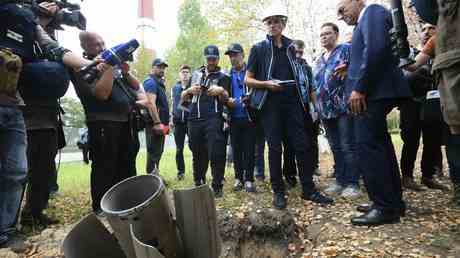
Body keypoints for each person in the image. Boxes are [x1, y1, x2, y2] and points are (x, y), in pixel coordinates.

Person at [0, 2, 92, 247]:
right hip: (24, 112)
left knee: (18, 172)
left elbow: (55, 49)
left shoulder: (29, 25)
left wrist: (91, 63)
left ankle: (10, 228)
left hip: (17, 108)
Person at [245, 12, 333, 209]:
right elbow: (247, 79)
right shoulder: (258, 49)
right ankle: (278, 191)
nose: (272, 25)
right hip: (270, 104)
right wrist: (267, 84)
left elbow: (302, 72)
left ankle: (308, 189)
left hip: (294, 102)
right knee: (275, 147)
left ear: (283, 24)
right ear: (265, 25)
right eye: (269, 22)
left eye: (276, 21)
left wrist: (311, 104)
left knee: (301, 145)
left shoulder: (292, 46)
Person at [337, 0, 412, 225]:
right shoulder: (371, 17)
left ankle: (384, 207)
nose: (341, 16)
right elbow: (375, 53)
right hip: (376, 92)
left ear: (356, 1)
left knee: (368, 147)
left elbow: (377, 49)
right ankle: (391, 201)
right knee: (381, 146)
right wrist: (351, 69)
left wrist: (360, 87)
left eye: (342, 9)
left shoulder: (372, 13)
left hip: (373, 94)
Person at [72, 32, 147, 214]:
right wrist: (109, 69)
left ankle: (127, 203)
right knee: (105, 166)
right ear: (85, 47)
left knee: (127, 163)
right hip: (103, 124)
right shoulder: (83, 68)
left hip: (126, 123)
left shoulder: (110, 64)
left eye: (103, 42)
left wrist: (124, 70)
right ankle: (101, 207)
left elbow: (136, 88)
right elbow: (102, 94)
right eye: (96, 44)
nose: (102, 47)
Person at [412, 0, 460, 207]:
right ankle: (458, 187)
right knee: (453, 139)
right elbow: (414, 65)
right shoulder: (438, 37)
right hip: (447, 99)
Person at [313, 22, 361, 199]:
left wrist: (350, 71)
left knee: (348, 145)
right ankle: (340, 181)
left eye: (327, 33)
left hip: (344, 107)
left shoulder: (346, 50)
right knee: (335, 147)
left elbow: (359, 68)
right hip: (325, 110)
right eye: (321, 35)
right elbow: (315, 85)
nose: (324, 37)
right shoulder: (318, 60)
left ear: (336, 34)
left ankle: (353, 183)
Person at [399, 23, 448, 191]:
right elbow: (403, 76)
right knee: (410, 140)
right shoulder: (410, 53)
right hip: (411, 102)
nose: (426, 32)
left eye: (431, 29)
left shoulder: (440, 53)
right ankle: (407, 177)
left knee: (432, 141)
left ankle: (428, 176)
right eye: (423, 29)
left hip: (433, 104)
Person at [181, 45, 231, 198]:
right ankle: (199, 182)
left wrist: (221, 91)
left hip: (213, 118)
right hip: (194, 119)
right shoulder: (195, 74)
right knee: (197, 151)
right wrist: (188, 91)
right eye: (208, 58)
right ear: (205, 58)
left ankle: (217, 185)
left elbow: (227, 99)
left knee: (216, 152)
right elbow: (183, 99)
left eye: (214, 59)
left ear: (218, 59)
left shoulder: (223, 76)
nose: (211, 61)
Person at [282, 39, 319, 188]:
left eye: (301, 52)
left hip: (305, 107)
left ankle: (308, 172)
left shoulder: (307, 68)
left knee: (308, 142)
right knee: (289, 143)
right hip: (289, 108)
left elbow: (312, 89)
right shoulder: (285, 66)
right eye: (296, 51)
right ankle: (289, 174)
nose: (298, 54)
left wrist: (316, 109)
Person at [225, 43, 257, 193]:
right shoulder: (227, 75)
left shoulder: (251, 72)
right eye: (230, 55)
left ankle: (249, 179)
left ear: (243, 55)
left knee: (249, 149)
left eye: (235, 54)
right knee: (236, 149)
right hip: (234, 118)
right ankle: (238, 178)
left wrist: (251, 98)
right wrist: (227, 102)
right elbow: (223, 96)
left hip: (250, 117)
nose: (233, 58)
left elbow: (258, 90)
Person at [144, 58, 170, 174]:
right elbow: (150, 104)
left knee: (159, 151)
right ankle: (151, 181)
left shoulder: (159, 83)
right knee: (153, 152)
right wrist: (157, 123)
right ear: (152, 68)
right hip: (155, 124)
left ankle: (156, 177)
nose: (162, 69)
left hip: (162, 123)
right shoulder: (151, 82)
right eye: (159, 67)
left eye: (163, 67)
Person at [171, 65, 191, 180]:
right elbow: (173, 104)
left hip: (190, 122)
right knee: (179, 149)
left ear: (190, 74)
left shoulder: (193, 87)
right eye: (183, 72)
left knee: (194, 146)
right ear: (179, 74)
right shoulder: (175, 88)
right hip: (178, 122)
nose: (185, 74)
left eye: (187, 72)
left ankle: (197, 169)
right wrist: (171, 119)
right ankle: (180, 172)